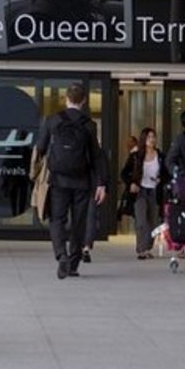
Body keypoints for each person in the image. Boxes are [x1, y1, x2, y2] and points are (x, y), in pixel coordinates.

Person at [36, 84, 107, 279]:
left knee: (57, 219)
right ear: (84, 101)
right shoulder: (89, 125)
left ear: (66, 98)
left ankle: (61, 255)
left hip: (58, 180)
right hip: (82, 181)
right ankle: (74, 264)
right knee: (79, 223)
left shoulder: (52, 120)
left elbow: (40, 147)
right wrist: (101, 183)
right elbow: (96, 156)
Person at [121, 127, 170, 260]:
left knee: (153, 222)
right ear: (144, 139)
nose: (151, 139)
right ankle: (141, 249)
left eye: (153, 137)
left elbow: (167, 174)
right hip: (140, 191)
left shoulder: (160, 156)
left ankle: (148, 248)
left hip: (154, 191)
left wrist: (160, 179)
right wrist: (131, 183)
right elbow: (124, 173)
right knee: (141, 221)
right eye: (148, 137)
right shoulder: (136, 156)